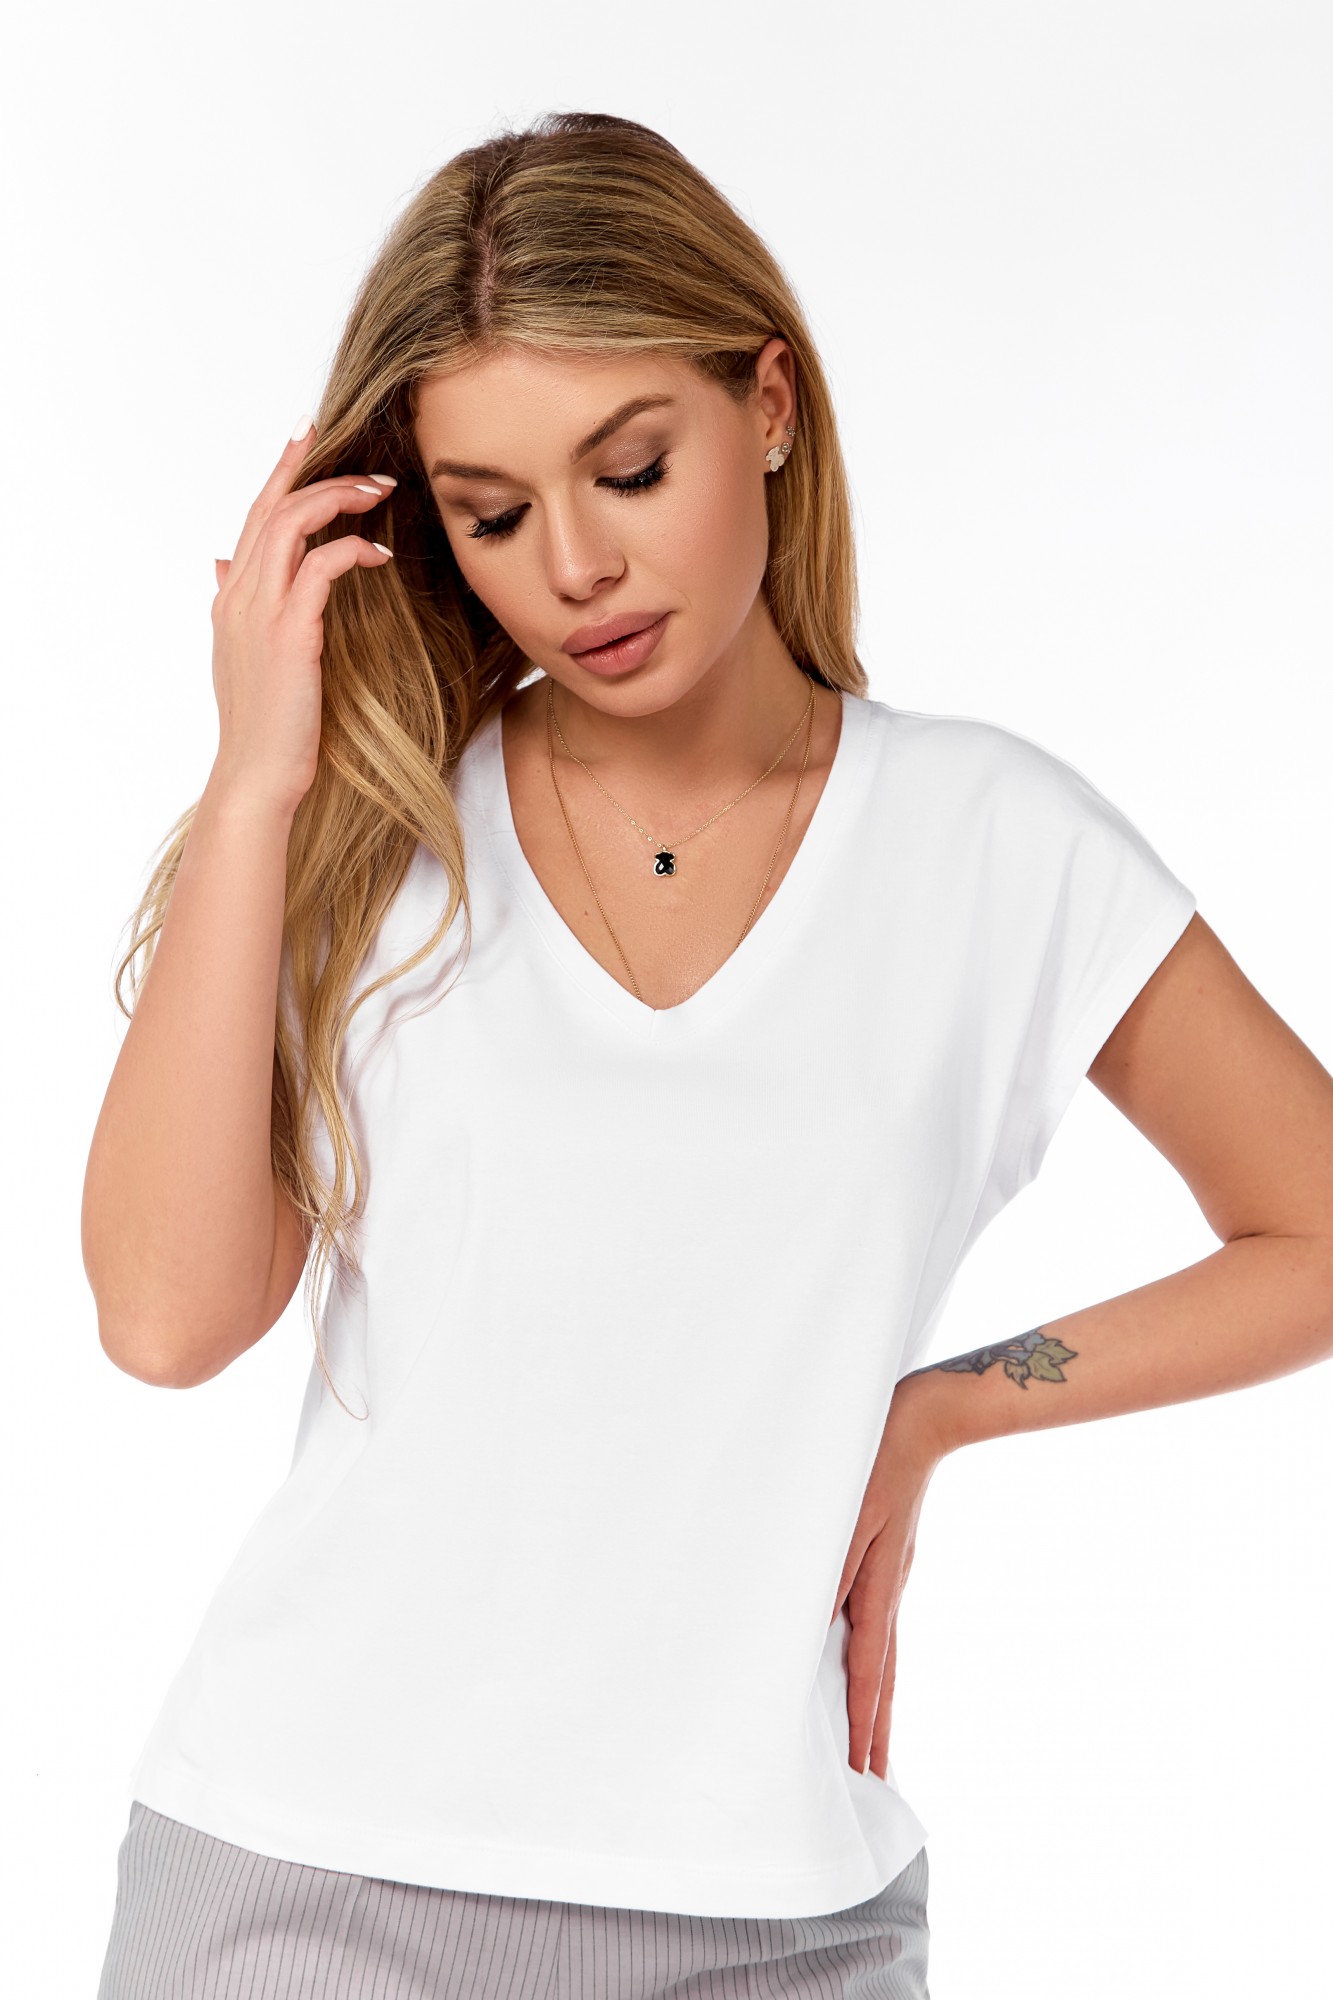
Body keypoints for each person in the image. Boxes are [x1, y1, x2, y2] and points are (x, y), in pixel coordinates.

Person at [83, 110, 1333, 2000]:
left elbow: (1309, 1224)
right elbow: (167, 1320)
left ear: (765, 403)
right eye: (494, 514)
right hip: (301, 1880)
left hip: (772, 1922)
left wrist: (945, 1408)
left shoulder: (991, 846)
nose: (577, 566)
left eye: (631, 468)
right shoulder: (371, 828)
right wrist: (260, 782)